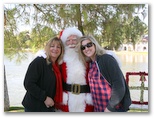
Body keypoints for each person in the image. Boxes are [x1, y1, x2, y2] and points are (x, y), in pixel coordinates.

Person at [77, 35, 132, 112]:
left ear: (95, 44)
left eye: (89, 45)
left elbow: (119, 85)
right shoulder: (92, 64)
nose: (86, 48)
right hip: (99, 108)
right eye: (83, 47)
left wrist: (110, 107)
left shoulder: (106, 59)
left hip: (113, 109)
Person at [22, 37, 64, 112]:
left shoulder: (57, 66)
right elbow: (28, 83)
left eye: (58, 47)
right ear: (48, 48)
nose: (55, 49)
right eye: (52, 46)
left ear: (61, 50)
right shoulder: (39, 62)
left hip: (49, 108)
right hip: (34, 108)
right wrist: (44, 98)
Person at [58, 27, 94, 112]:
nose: (71, 43)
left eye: (74, 39)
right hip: (67, 98)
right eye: (68, 40)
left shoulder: (88, 56)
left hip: (86, 99)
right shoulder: (60, 59)